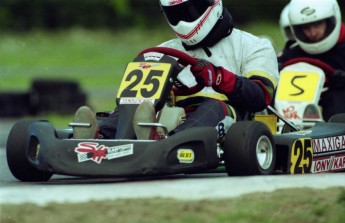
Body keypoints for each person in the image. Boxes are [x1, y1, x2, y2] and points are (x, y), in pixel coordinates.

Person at [73, 0, 279, 141]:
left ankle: (167, 143)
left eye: (188, 12)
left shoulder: (253, 45)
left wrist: (219, 78)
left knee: (212, 108)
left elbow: (262, 96)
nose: (182, 22)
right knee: (134, 108)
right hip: (172, 117)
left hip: (233, 120)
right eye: (175, 14)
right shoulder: (165, 50)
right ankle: (99, 137)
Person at [277, 0, 345, 121]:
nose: (312, 33)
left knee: (337, 96)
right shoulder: (293, 51)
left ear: (331, 21)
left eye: (317, 24)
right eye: (306, 27)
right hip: (292, 113)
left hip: (335, 114)